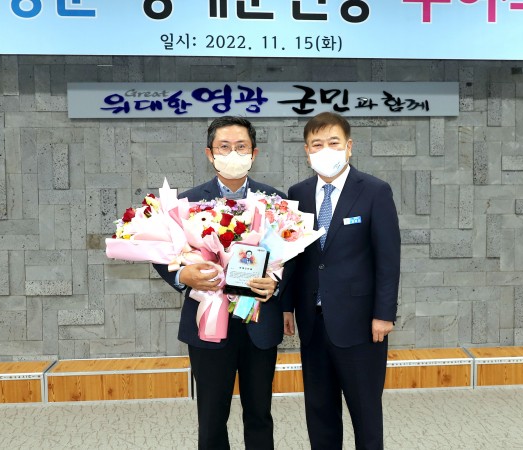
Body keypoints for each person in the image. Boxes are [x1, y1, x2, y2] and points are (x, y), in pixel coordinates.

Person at [154, 116, 286, 450]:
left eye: (241, 147)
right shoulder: (186, 203)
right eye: (224, 147)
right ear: (209, 153)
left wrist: (277, 285)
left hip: (259, 323)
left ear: (254, 153)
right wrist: (181, 276)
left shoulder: (275, 202)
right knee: (212, 418)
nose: (233, 154)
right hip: (208, 324)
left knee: (260, 415)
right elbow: (161, 252)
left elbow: (294, 258)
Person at [282, 112, 401, 450]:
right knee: (320, 411)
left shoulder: (375, 191)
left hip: (361, 323)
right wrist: (287, 306)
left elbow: (388, 259)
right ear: (307, 151)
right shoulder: (298, 193)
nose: (325, 150)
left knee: (365, 412)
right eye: (316, 144)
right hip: (312, 321)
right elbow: (293, 255)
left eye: (333, 142)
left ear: (349, 147)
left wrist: (384, 314)